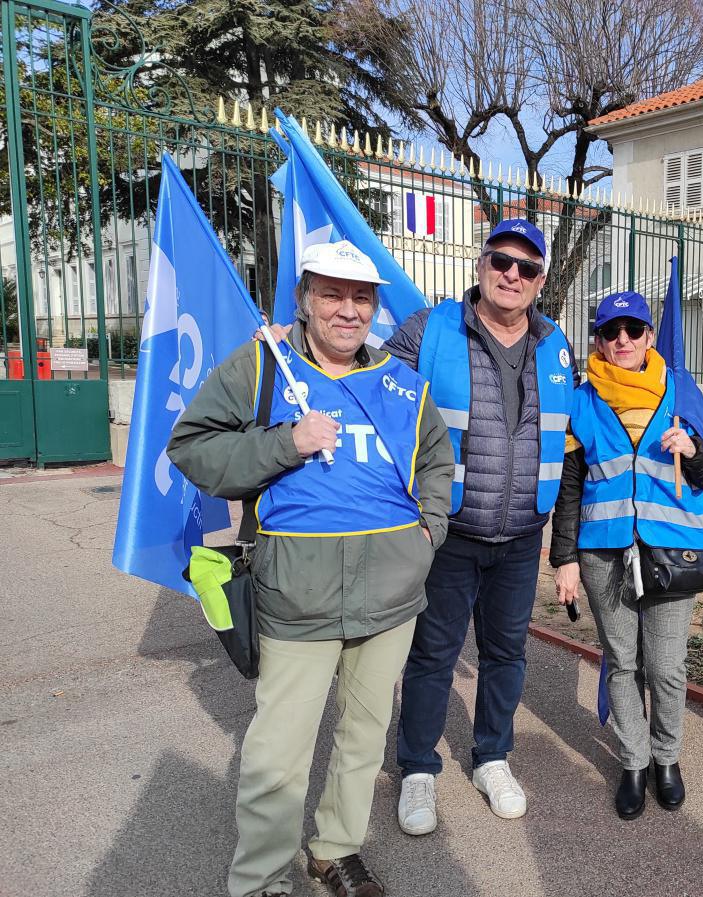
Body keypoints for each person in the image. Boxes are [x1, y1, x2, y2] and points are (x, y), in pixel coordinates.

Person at [168, 240, 454, 897]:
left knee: (363, 736)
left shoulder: (403, 382)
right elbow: (192, 445)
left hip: (390, 594)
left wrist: (427, 534)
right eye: (331, 293)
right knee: (278, 752)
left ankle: (334, 850)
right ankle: (261, 876)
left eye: (360, 296)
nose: (347, 310)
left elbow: (437, 463)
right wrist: (285, 442)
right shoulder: (264, 365)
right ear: (304, 299)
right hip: (297, 593)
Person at [383, 219, 577, 834]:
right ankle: (417, 768)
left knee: (505, 655)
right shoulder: (432, 329)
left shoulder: (556, 344)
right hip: (449, 532)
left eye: (526, 268)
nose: (511, 275)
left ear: (541, 280)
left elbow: (579, 435)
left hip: (522, 535)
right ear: (480, 265)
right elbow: (370, 389)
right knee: (433, 654)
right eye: (501, 262)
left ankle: (492, 756)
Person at [550, 291, 703, 820]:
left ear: (649, 336)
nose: (621, 340)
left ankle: (666, 760)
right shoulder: (582, 400)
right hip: (604, 553)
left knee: (667, 668)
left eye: (633, 329)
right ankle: (633, 761)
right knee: (622, 664)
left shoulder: (681, 390)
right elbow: (570, 487)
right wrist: (565, 559)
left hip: (672, 554)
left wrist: (692, 451)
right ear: (597, 341)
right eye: (610, 331)